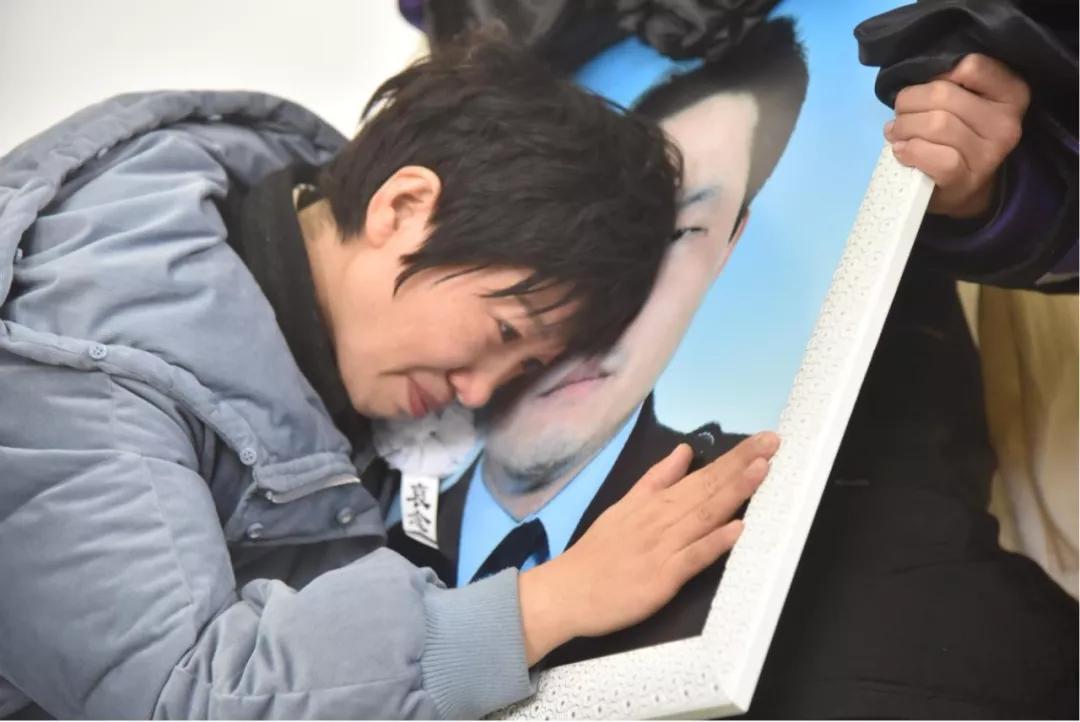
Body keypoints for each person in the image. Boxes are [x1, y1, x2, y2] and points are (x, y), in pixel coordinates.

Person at [0, 34, 782, 719]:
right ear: (403, 207)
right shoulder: (78, 371)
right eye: (504, 331)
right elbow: (187, 698)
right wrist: (550, 602)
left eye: (524, 367)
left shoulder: (310, 315)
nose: (479, 393)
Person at [392, 6, 1079, 717]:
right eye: (574, 226)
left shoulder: (878, 580)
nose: (608, 294)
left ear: (730, 246)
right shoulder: (353, 524)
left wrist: (1001, 194)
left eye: (677, 233)